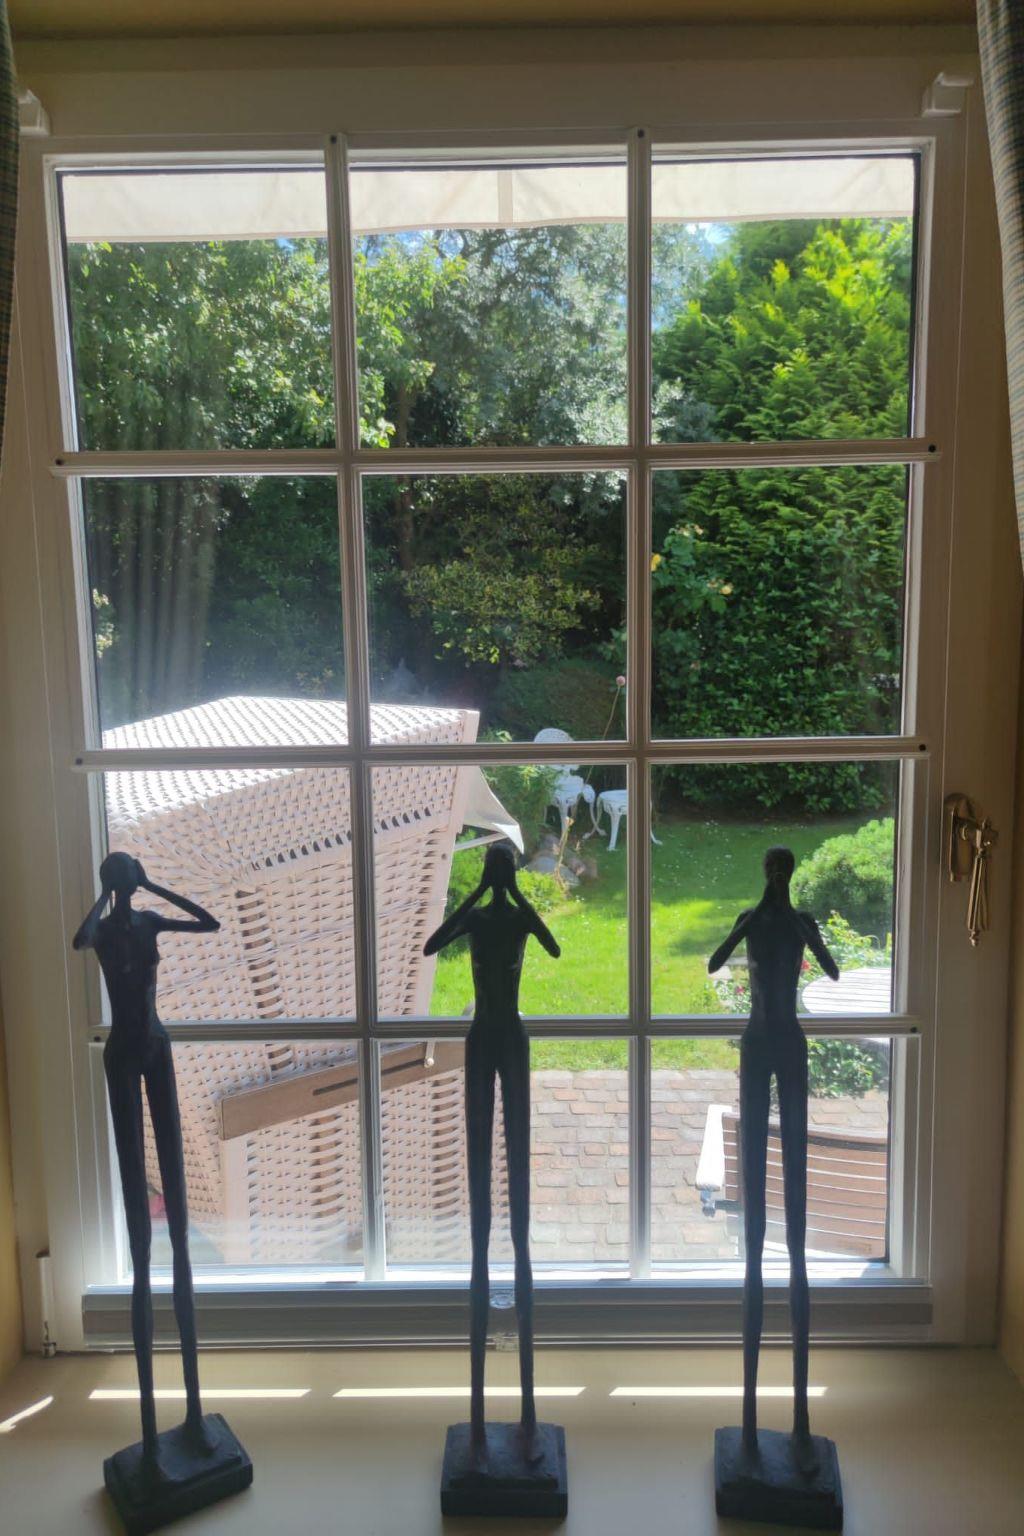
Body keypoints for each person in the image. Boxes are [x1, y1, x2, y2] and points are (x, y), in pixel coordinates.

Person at [74, 851, 219, 1477]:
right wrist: (107, 896)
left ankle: (193, 1415)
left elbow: (208, 922)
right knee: (141, 1236)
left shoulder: (149, 922)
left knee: (178, 1226)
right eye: (127, 875)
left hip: (157, 1047)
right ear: (116, 883)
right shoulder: (106, 931)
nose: (133, 884)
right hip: (124, 1055)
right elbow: (79, 939)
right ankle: (151, 1437)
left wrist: (153, 883)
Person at [424, 841, 560, 1469]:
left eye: (497, 872)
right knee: (483, 1206)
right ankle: (480, 1417)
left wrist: (510, 896)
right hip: (484, 1037)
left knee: (517, 1200)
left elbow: (551, 946)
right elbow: (434, 943)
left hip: (508, 1038)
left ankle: (525, 1413)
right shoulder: (479, 919)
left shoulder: (505, 920)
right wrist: (484, 895)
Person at [707, 846, 839, 1474]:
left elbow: (832, 973)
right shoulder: (754, 919)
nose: (779, 880)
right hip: (757, 1044)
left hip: (790, 1044)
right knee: (756, 1225)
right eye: (774, 872)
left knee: (795, 1217)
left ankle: (801, 1419)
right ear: (767, 874)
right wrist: (758, 915)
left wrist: (798, 925)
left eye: (784, 873)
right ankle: (752, 1422)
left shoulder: (797, 923)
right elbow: (715, 962)